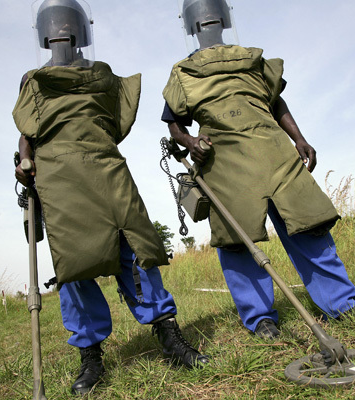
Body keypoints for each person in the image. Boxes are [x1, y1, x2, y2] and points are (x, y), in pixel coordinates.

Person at [13, 0, 209, 395]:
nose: (61, 30)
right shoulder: (32, 79)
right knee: (75, 265)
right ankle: (91, 357)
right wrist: (26, 160)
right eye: (54, 24)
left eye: (68, 23)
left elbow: (117, 126)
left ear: (82, 29)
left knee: (134, 250)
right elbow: (27, 130)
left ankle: (169, 336)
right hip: (59, 180)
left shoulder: (106, 78)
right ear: (44, 32)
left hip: (107, 170)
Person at [162, 0, 355, 341]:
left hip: (276, 155)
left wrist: (299, 139)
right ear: (193, 27)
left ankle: (342, 304)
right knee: (238, 241)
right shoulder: (183, 73)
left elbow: (276, 102)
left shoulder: (253, 61)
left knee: (308, 226)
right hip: (226, 166)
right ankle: (261, 320)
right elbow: (174, 123)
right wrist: (191, 141)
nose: (207, 25)